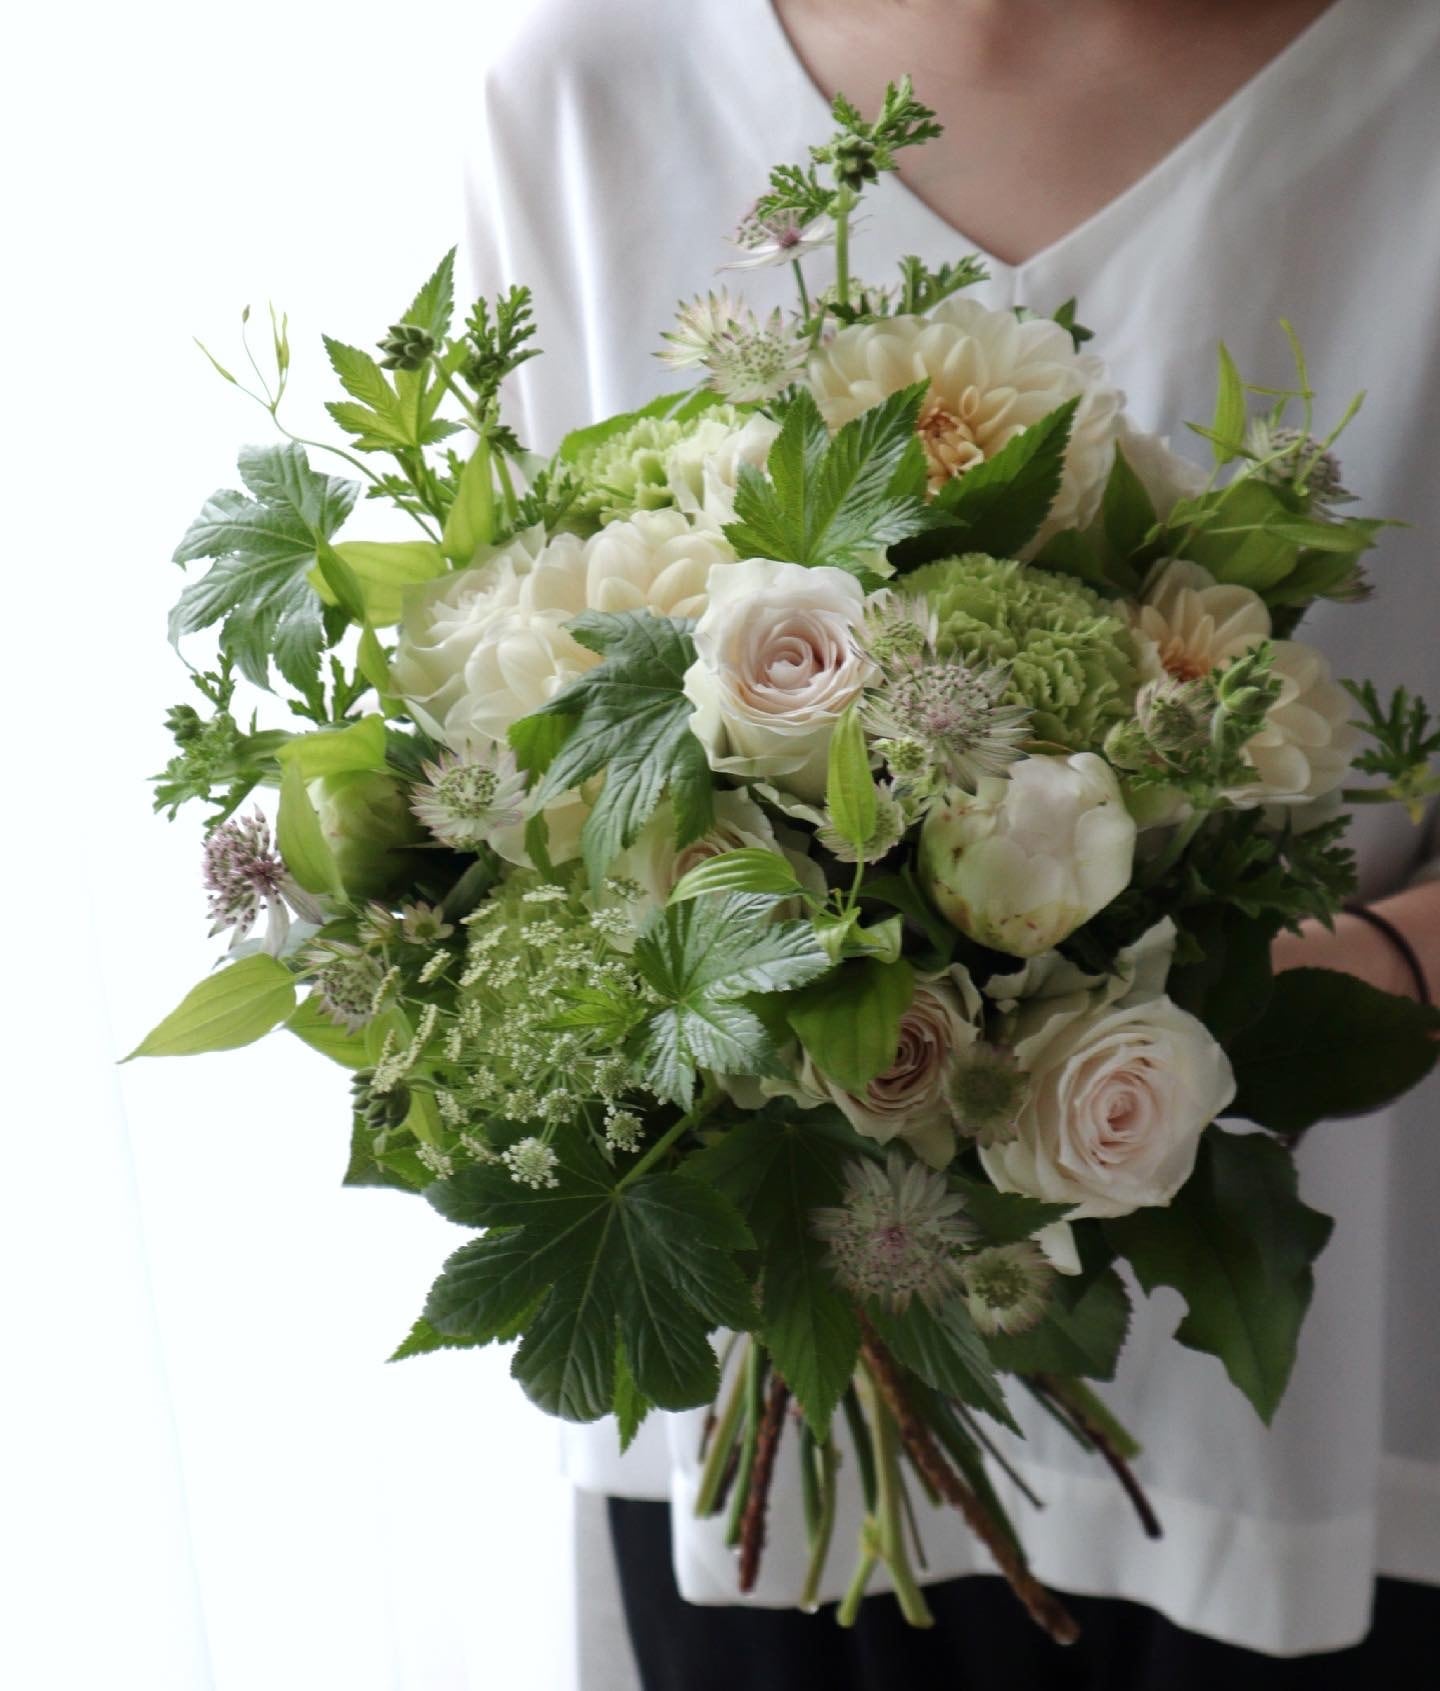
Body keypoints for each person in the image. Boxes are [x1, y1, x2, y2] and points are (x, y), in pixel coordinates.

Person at [464, 2, 1440, 1684]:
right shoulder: (586, 95)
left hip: (1313, 1456)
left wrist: (1285, 995)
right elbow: (506, 733)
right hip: (764, 1440)